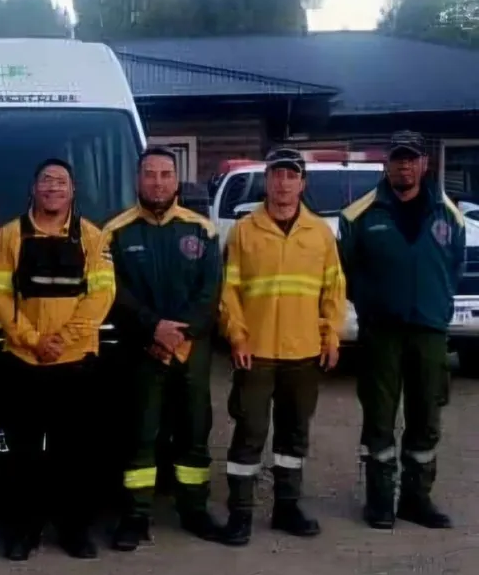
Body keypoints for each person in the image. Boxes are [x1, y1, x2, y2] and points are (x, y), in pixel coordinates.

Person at [0, 158, 116, 560]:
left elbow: (101, 296)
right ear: (34, 188)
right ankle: (24, 531)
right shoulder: (9, 235)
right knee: (22, 453)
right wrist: (31, 339)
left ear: (73, 191)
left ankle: (74, 531)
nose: (53, 188)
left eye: (61, 182)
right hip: (23, 361)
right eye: (46, 181)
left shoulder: (92, 238)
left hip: (75, 360)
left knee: (75, 452)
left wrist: (62, 339)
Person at [219, 147, 346, 547]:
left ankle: (287, 507)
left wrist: (332, 336)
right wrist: (236, 334)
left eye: (292, 176)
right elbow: (229, 289)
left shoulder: (320, 233)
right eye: (277, 175)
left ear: (302, 183)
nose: (284, 183)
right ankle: (240, 515)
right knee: (250, 432)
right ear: (267, 180)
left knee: (293, 435)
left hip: (303, 350)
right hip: (255, 351)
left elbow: (333, 290)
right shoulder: (244, 230)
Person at [339, 131, 465, 530]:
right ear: (385, 165)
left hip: (429, 331)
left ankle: (416, 498)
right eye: (398, 159)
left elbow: (454, 267)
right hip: (382, 333)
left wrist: (434, 304)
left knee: (426, 415)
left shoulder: (450, 216)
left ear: (424, 165)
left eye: (412, 159)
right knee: (379, 417)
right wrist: (376, 305)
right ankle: (379, 502)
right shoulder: (358, 215)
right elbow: (348, 271)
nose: (405, 165)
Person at [104, 147, 223, 549]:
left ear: (177, 180)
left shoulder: (202, 230)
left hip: (191, 351)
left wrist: (179, 335)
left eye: (165, 174)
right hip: (141, 350)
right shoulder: (115, 232)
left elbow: (210, 293)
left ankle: (195, 510)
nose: (158, 182)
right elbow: (114, 294)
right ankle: (135, 517)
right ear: (137, 180)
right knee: (139, 433)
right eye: (150, 174)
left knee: (194, 432)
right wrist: (152, 329)